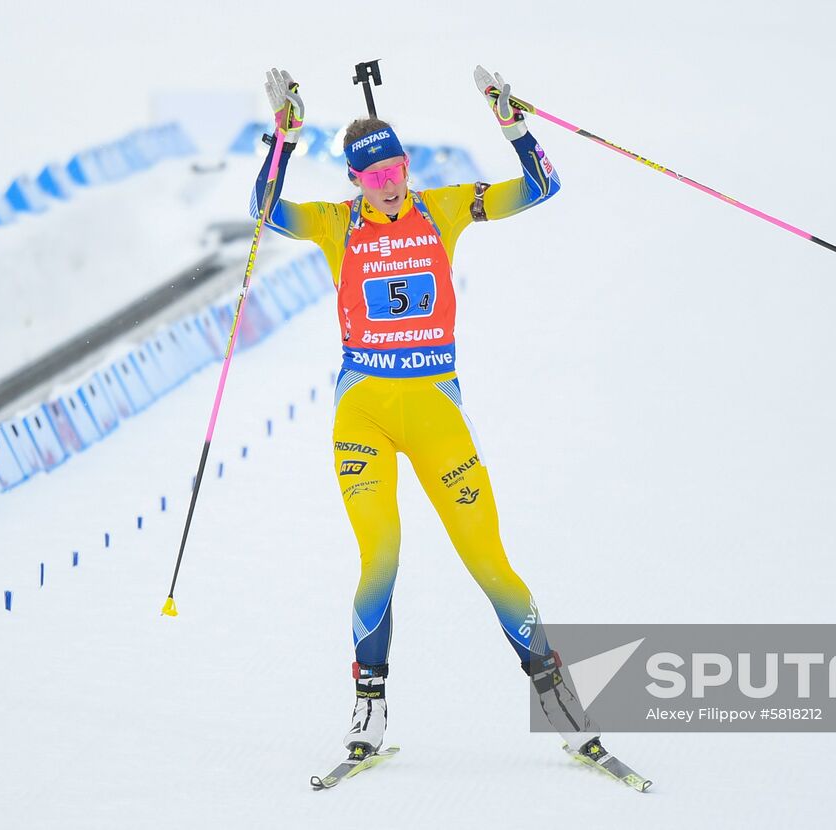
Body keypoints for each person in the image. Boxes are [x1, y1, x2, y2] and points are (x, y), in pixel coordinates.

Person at [251, 66, 602, 765]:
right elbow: (264, 210)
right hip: (364, 418)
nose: (389, 181)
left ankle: (556, 696)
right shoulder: (334, 223)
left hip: (436, 412)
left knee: (489, 561)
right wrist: (283, 142)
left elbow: (541, 188)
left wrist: (513, 125)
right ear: (354, 178)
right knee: (380, 555)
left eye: (396, 166)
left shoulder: (442, 208)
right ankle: (370, 706)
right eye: (373, 172)